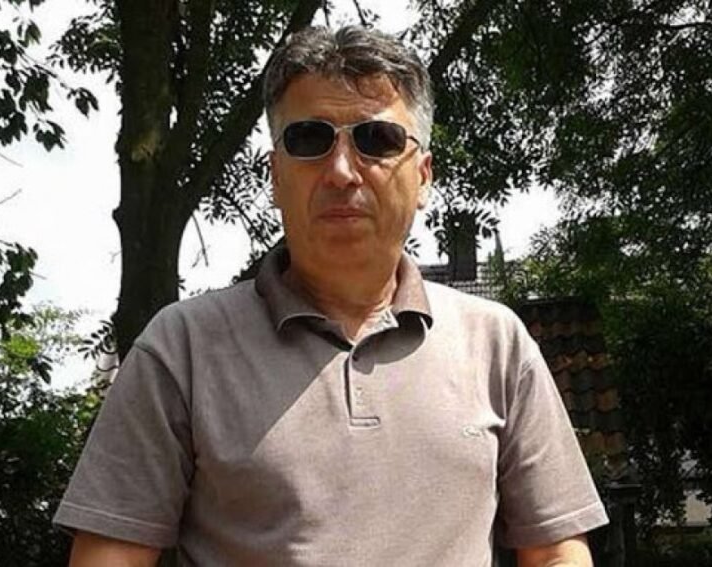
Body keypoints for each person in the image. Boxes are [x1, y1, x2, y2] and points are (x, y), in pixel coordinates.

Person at [55, 26, 608, 567]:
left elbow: (557, 551)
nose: (342, 171)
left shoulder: (497, 345)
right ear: (275, 174)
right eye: (309, 140)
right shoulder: (182, 350)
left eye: (377, 139)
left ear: (423, 175)